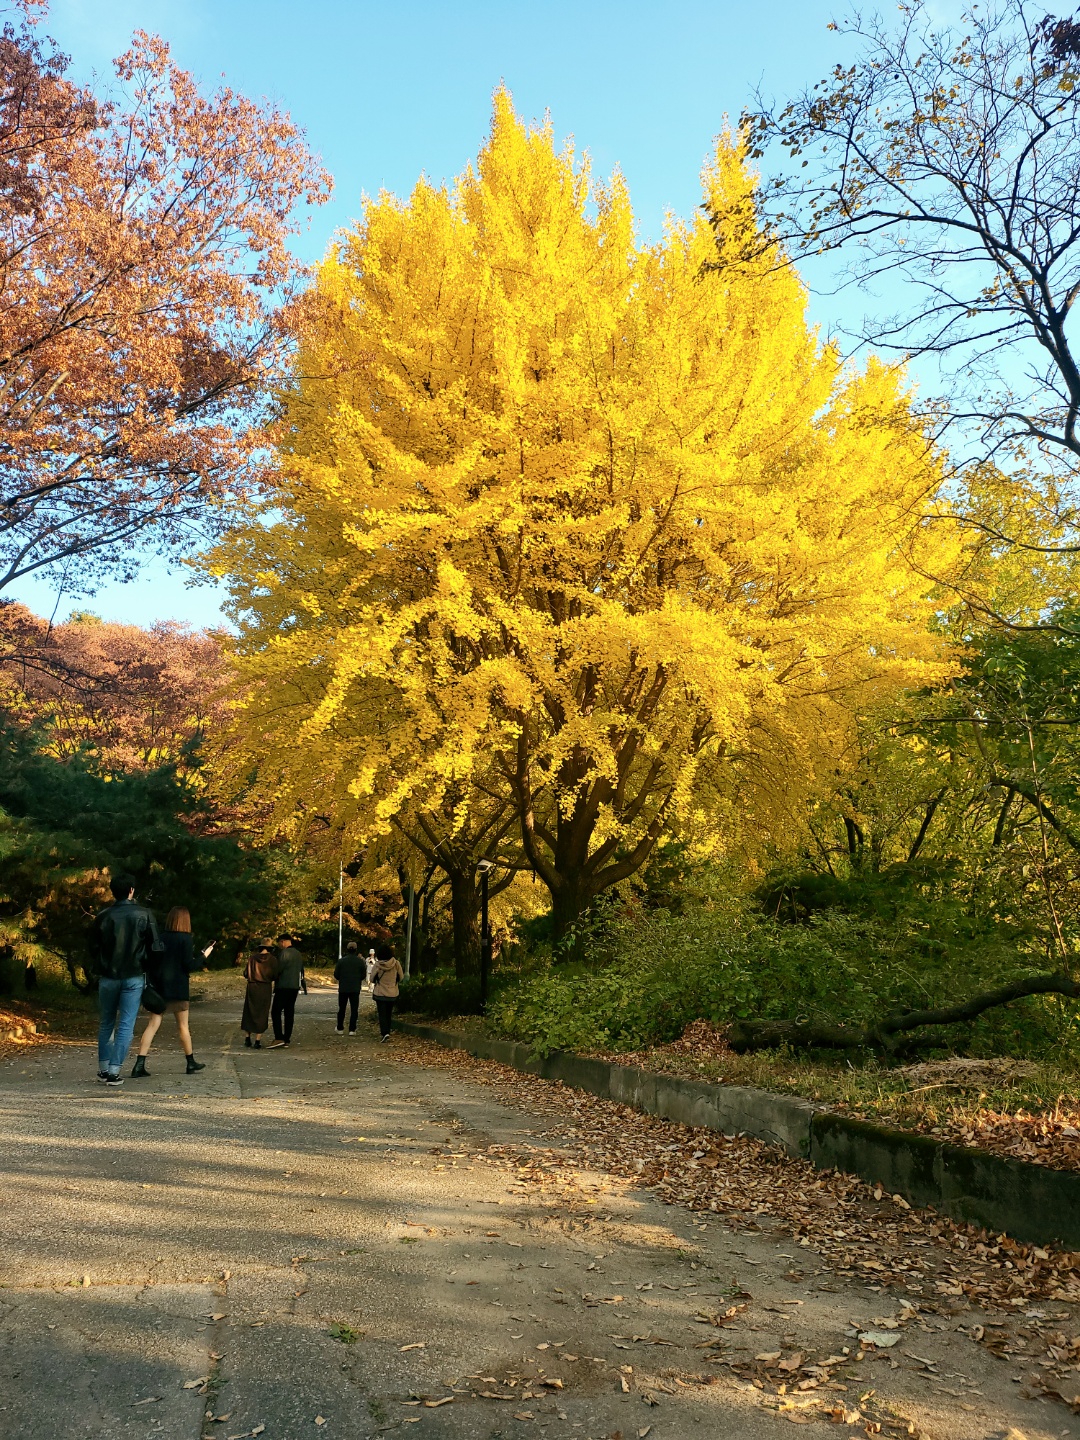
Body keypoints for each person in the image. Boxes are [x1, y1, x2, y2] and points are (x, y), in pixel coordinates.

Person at [89, 872, 162, 1087]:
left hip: (108, 976)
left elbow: (93, 947)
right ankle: (114, 1071)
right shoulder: (145, 914)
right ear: (131, 890)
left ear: (113, 891)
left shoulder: (103, 916)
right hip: (134, 975)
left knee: (106, 1022)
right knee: (126, 1025)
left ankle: (103, 1069)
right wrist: (149, 967)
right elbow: (156, 947)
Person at [131, 907, 215, 1077]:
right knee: (183, 1026)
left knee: (152, 1025)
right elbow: (188, 966)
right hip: (178, 989)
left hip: (159, 989)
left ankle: (139, 1064)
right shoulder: (185, 939)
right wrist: (204, 956)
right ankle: (190, 1062)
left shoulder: (160, 937)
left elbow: (152, 963)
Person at [270, 933, 305, 1048]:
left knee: (276, 1011)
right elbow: (301, 970)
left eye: (280, 943)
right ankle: (287, 1039)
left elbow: (278, 969)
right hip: (294, 986)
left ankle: (278, 1037)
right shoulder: (298, 954)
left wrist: (272, 977)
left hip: (283, 986)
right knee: (289, 1012)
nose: (280, 945)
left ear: (283, 941)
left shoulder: (284, 953)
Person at [241, 941, 277, 1048]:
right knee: (262, 1013)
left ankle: (247, 1038)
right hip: (265, 988)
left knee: (249, 1012)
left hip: (252, 987)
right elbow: (275, 975)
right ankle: (257, 1041)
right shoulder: (273, 960)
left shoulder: (252, 959)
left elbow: (246, 974)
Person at [371, 943, 404, 1042]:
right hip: (392, 992)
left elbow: (372, 978)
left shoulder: (377, 965)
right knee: (389, 1013)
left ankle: (384, 1032)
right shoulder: (396, 963)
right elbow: (401, 977)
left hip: (380, 993)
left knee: (382, 1014)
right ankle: (388, 1031)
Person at [334, 941, 365, 1035]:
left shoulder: (341, 961)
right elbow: (363, 975)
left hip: (343, 988)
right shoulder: (360, 961)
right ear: (356, 950)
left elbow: (336, 975)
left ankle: (340, 1028)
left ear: (347, 950)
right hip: (355, 988)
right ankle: (352, 1029)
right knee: (354, 1009)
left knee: (342, 1008)